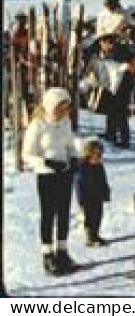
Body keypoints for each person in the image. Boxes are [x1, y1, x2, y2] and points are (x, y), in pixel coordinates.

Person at [22, 87, 83, 276]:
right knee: (49, 214)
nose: (66, 111)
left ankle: (62, 252)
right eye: (62, 107)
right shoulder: (37, 125)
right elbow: (26, 155)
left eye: (67, 107)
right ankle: (47, 254)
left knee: (64, 213)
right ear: (51, 106)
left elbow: (70, 145)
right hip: (47, 175)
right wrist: (45, 162)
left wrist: (73, 158)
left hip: (64, 174)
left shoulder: (66, 122)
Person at [74, 138, 111, 246]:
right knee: (89, 217)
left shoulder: (99, 166)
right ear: (89, 154)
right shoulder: (82, 167)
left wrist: (106, 191)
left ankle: (96, 235)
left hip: (98, 195)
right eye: (97, 154)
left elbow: (103, 179)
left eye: (100, 154)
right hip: (87, 197)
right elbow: (79, 184)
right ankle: (90, 238)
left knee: (98, 215)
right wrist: (81, 199)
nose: (99, 157)